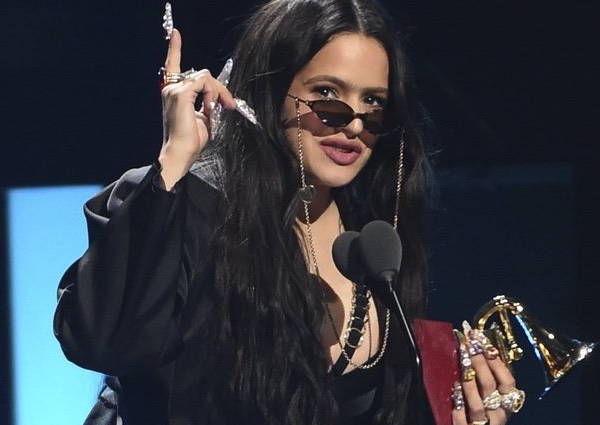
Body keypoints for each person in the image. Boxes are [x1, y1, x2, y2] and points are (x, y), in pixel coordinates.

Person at [54, 0, 522, 424]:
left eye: (373, 103)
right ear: (271, 91)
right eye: (327, 94)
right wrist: (175, 159)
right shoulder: (185, 205)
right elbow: (104, 341)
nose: (353, 123)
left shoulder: (374, 242)